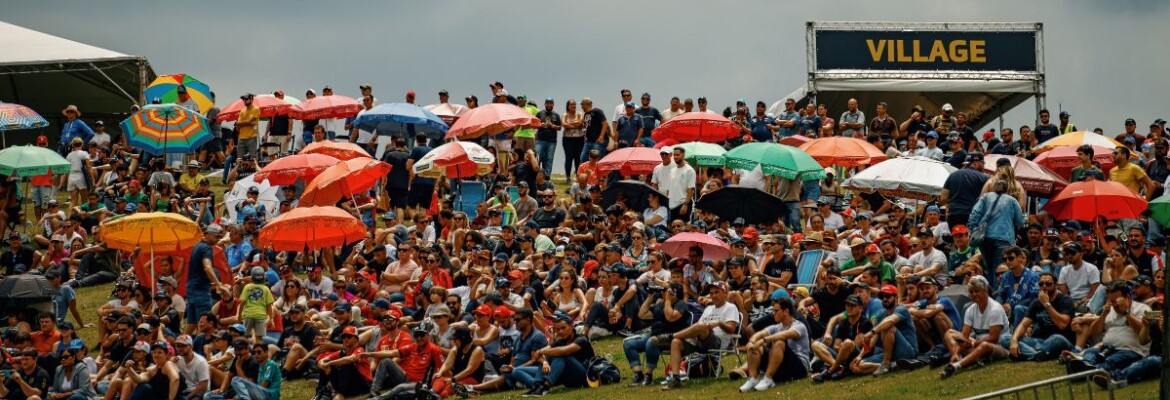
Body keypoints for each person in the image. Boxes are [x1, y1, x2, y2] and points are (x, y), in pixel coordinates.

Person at [662, 281, 739, 390]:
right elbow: (698, 329)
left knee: (701, 326)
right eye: (711, 293)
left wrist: (719, 323)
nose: (714, 295)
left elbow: (731, 329)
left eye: (717, 292)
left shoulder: (731, 307)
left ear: (725, 293)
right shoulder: (708, 309)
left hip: (717, 342)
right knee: (676, 343)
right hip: (701, 340)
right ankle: (675, 379)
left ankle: (670, 337)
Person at [940, 276, 1010, 379]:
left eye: (977, 291)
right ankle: (961, 358)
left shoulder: (995, 309)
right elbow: (964, 337)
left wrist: (974, 343)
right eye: (971, 292)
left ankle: (956, 366)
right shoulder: (970, 309)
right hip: (978, 345)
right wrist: (955, 352)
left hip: (999, 346)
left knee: (984, 345)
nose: (974, 294)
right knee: (949, 333)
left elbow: (993, 338)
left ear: (985, 290)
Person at [511, 313, 595, 397]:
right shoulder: (560, 341)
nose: (560, 331)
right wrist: (545, 362)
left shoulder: (581, 339)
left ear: (572, 327)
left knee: (561, 356)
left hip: (585, 377)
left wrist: (541, 351)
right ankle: (537, 386)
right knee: (517, 370)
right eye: (557, 329)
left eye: (563, 328)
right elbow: (539, 353)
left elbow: (563, 351)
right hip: (568, 379)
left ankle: (545, 386)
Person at [737, 297, 811, 392]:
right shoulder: (777, 327)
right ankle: (753, 379)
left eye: (776, 311)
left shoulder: (799, 326)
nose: (773, 313)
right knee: (755, 347)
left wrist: (763, 340)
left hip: (799, 369)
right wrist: (752, 342)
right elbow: (760, 334)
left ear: (786, 311)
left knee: (779, 342)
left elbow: (784, 335)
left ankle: (768, 378)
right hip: (783, 367)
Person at [624, 282, 688, 386]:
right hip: (654, 335)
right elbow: (642, 314)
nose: (663, 293)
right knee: (628, 343)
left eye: (666, 290)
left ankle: (648, 375)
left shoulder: (680, 304)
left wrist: (668, 300)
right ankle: (638, 374)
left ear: (674, 293)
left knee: (651, 342)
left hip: (671, 337)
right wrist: (650, 298)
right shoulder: (660, 305)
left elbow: (670, 317)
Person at [968, 179, 1026, 291]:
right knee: (999, 268)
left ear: (994, 187)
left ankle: (990, 293)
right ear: (1006, 189)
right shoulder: (1012, 200)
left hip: (984, 238)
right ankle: (996, 294)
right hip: (1004, 238)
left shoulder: (985, 197)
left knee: (989, 267)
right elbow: (1020, 221)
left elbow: (975, 214)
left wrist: (972, 228)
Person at [1003, 272, 1074, 361]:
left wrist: (1047, 304)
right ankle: (1038, 355)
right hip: (1040, 342)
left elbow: (1062, 324)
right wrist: (1014, 340)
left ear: (1056, 285)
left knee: (1056, 338)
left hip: (1062, 340)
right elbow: (1023, 325)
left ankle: (1027, 353)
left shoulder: (1066, 300)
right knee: (1004, 338)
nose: (1044, 286)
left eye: (1048, 284)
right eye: (1041, 284)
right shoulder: (1036, 302)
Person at [940, 153, 989, 227]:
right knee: (970, 234)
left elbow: (943, 198)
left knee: (956, 234)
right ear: (976, 162)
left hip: (954, 214)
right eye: (983, 163)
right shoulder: (984, 177)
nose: (984, 166)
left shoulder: (953, 175)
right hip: (972, 214)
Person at [235, 94, 260, 159]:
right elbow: (238, 126)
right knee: (239, 159)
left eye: (246, 99)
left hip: (251, 137)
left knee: (252, 159)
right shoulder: (242, 111)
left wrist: (239, 123)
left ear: (252, 99)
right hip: (241, 137)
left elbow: (248, 121)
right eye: (243, 99)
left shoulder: (255, 109)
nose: (244, 101)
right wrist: (248, 123)